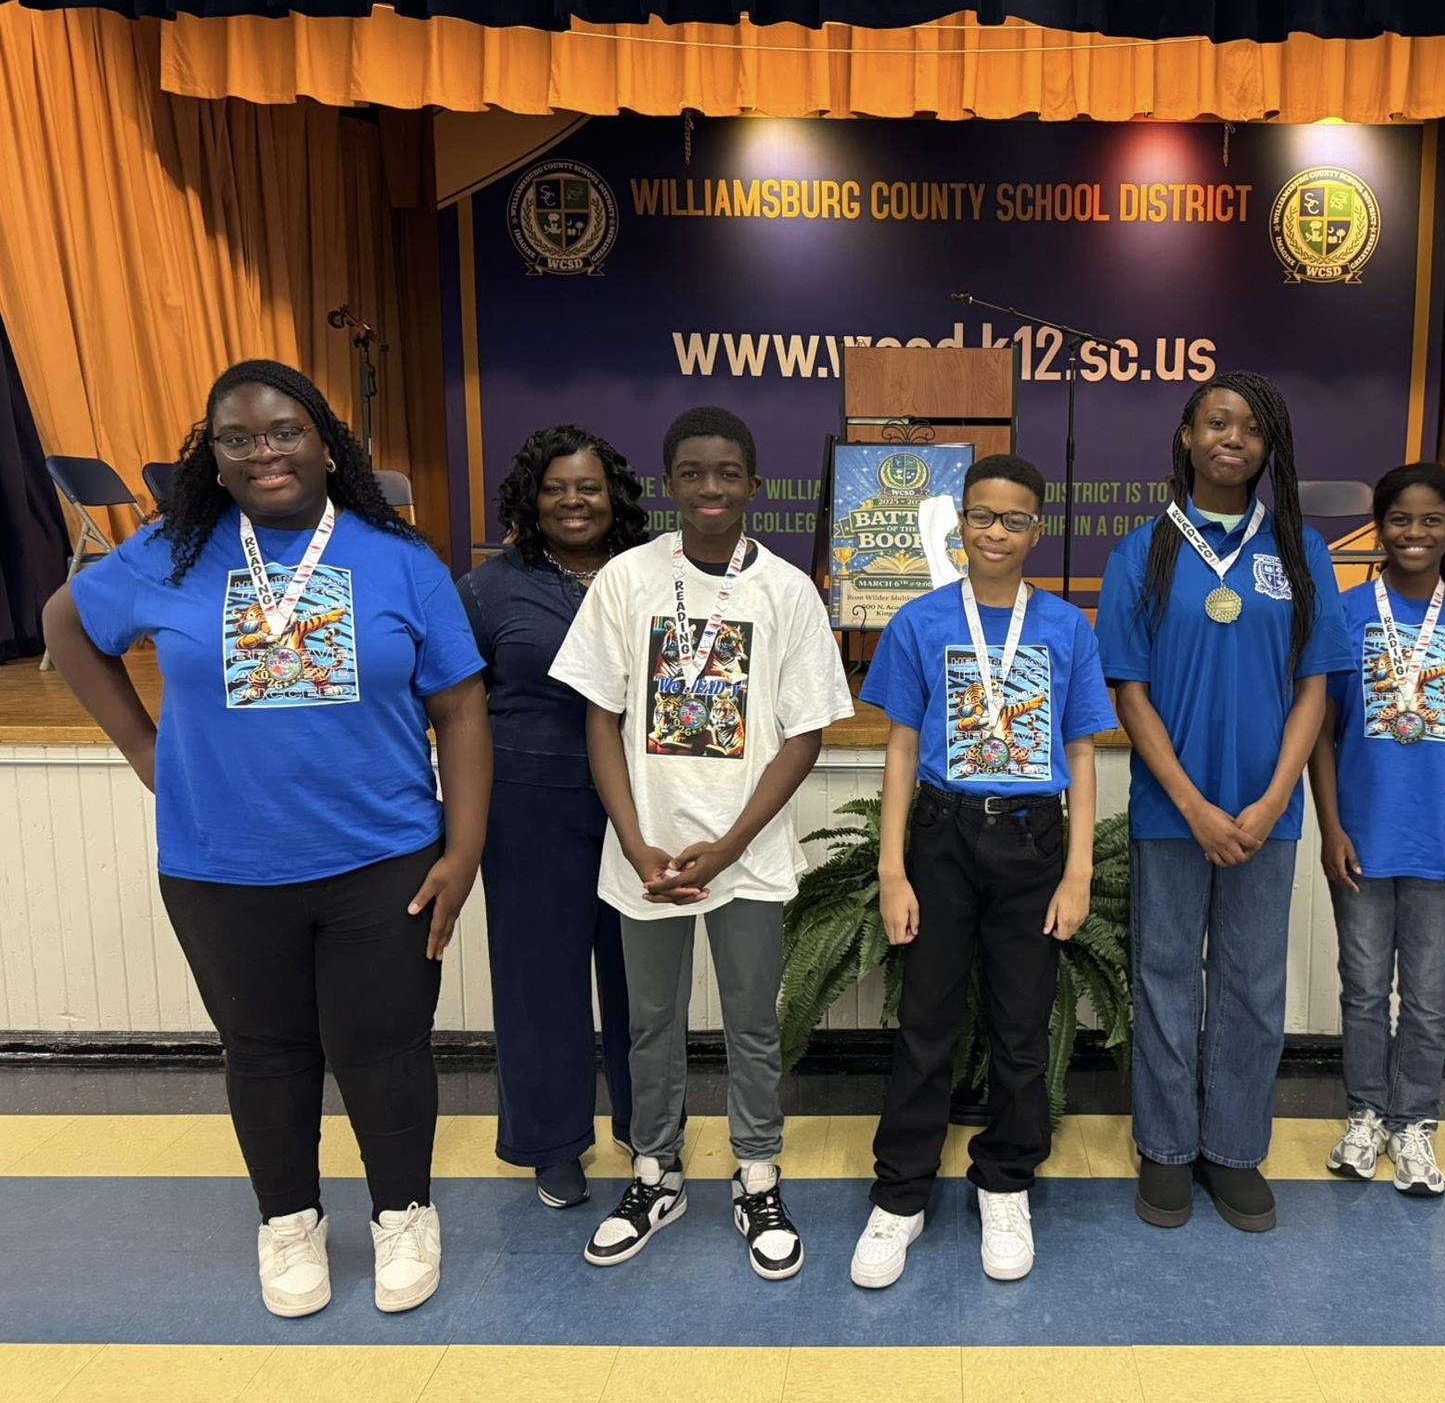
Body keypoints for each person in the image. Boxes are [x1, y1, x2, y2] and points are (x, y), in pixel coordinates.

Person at [39, 359, 490, 1317]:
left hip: (384, 857)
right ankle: (288, 1221)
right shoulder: (173, 548)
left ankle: (403, 1211)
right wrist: (148, 753)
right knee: (265, 1050)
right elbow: (66, 625)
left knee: (386, 1047)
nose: (263, 452)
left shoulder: (399, 557)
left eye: (284, 430)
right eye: (237, 438)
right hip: (222, 862)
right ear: (214, 455)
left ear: (326, 442)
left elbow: (460, 706)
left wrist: (463, 847)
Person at [549, 405, 853, 1280]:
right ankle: (657, 1170)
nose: (711, 488)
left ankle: (756, 1172)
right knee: (651, 1024)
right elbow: (599, 717)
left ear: (755, 485)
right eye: (693, 471)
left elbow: (804, 736)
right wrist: (636, 838)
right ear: (668, 483)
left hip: (746, 857)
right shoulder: (625, 581)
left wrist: (728, 844)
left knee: (753, 1024)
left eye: (728, 473)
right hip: (644, 852)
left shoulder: (788, 591)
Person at [849, 454, 1118, 1290]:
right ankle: (900, 1194)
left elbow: (1081, 750)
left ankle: (1006, 1179)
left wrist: (1077, 871)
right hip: (941, 836)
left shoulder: (1068, 628)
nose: (994, 532)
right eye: (980, 516)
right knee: (926, 1022)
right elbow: (898, 748)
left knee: (1020, 1023)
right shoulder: (922, 621)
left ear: (1036, 529)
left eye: (1013, 519)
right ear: (958, 523)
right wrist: (893, 869)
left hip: (1034, 843)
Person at [1095, 370, 1352, 1233]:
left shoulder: (1302, 551)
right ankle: (1167, 1148)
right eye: (1215, 421)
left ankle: (1235, 1149)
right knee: (1165, 980)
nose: (1230, 438)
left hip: (1266, 818)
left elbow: (1315, 690)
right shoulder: (1142, 550)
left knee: (1249, 986)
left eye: (1248, 426)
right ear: (1185, 436)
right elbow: (1129, 693)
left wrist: (1276, 796)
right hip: (1175, 815)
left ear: (1268, 447)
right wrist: (1195, 804)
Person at [1307, 463, 1445, 1195]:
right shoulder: (1348, 614)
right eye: (1400, 519)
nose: (1415, 533)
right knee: (1363, 989)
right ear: (1380, 527)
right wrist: (1331, 826)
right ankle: (1366, 1112)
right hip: (1362, 837)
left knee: (1427, 994)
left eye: (1432, 521)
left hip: (1442, 842)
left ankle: (1415, 1122)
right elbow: (1321, 734)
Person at [458, 425, 649, 1209]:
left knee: (642, 974)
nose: (574, 501)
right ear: (529, 499)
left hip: (642, 800)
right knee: (541, 980)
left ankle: (650, 1128)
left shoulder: (652, 577)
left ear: (617, 497)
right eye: (556, 487)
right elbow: (453, 704)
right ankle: (551, 1141)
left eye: (590, 487)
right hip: (529, 805)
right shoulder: (488, 589)